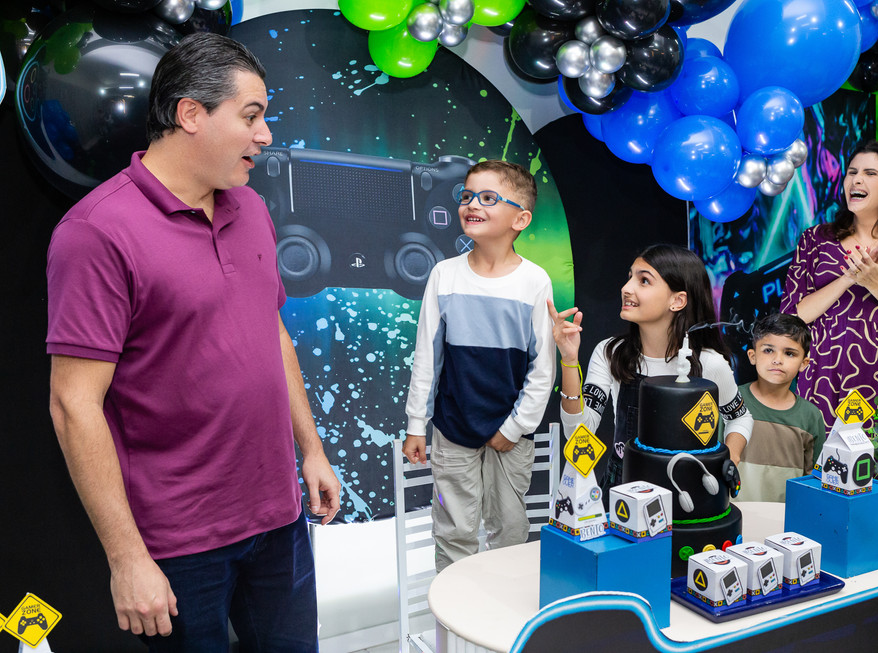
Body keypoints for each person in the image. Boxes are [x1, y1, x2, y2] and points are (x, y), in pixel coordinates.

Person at [46, 33, 340, 652]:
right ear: (190, 114)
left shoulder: (251, 208)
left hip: (278, 519)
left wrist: (311, 450)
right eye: (251, 116)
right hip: (179, 543)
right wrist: (127, 557)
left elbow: (272, 333)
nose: (265, 136)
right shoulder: (96, 232)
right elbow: (74, 404)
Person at [402, 160, 555, 573]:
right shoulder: (444, 275)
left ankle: (502, 607)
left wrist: (515, 428)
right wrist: (417, 423)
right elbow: (427, 356)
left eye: (488, 198)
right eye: (467, 196)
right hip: (453, 428)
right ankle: (454, 609)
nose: (472, 204)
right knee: (454, 530)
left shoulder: (534, 281)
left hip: (511, 434)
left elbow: (542, 367)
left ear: (520, 219)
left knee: (510, 529)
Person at [550, 244, 753, 495]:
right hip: (622, 490)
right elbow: (578, 432)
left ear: (677, 301)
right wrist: (569, 359)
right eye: (629, 277)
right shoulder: (610, 353)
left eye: (644, 280)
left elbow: (740, 417)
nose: (626, 288)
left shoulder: (709, 364)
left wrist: (729, 459)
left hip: (687, 494)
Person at [780, 140, 878, 428]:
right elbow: (793, 317)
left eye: (870, 173)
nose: (856, 179)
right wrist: (849, 278)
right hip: (824, 374)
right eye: (852, 172)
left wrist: (876, 283)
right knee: (821, 453)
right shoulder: (815, 239)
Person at [735, 313, 825, 502]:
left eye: (789, 353)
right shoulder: (731, 402)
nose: (777, 360)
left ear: (804, 363)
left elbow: (814, 481)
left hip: (786, 516)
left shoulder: (810, 416)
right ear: (752, 356)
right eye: (768, 350)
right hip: (734, 512)